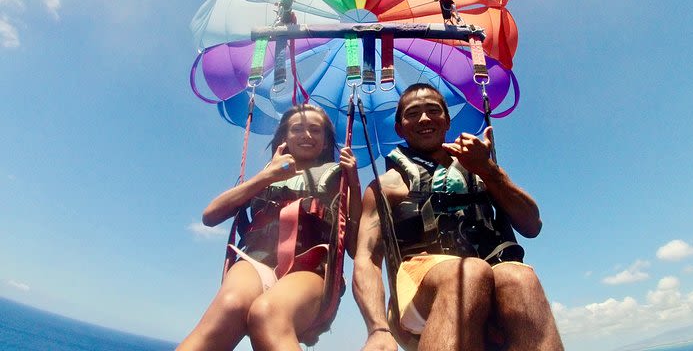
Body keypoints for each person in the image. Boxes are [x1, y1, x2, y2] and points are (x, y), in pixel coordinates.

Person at [352, 83, 563, 351]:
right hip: (421, 287)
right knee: (469, 272)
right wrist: (377, 329)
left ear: (447, 121)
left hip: (491, 273)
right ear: (399, 128)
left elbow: (532, 226)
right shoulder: (385, 186)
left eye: (433, 110)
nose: (425, 118)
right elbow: (367, 258)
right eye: (413, 113)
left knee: (521, 278)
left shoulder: (480, 167)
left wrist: (488, 170)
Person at [178, 104, 361, 351]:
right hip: (256, 260)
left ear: (327, 142)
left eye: (315, 130)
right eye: (298, 128)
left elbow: (353, 248)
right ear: (284, 137)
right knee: (231, 305)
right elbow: (210, 216)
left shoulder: (338, 178)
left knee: (267, 314)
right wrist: (268, 176)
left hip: (310, 266)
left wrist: (354, 184)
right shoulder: (267, 174)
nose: (306, 135)